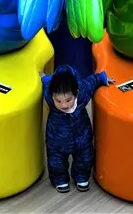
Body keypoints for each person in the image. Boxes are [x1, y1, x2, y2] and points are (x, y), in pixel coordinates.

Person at [42, 64, 114, 192]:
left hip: (82, 137)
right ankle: (60, 179)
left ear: (76, 94)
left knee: (85, 158)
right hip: (56, 140)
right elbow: (47, 82)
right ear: (52, 96)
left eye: (68, 100)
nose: (63, 105)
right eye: (58, 101)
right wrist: (42, 76)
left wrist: (103, 78)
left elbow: (92, 81)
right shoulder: (49, 94)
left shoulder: (83, 93)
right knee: (56, 161)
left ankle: (81, 177)